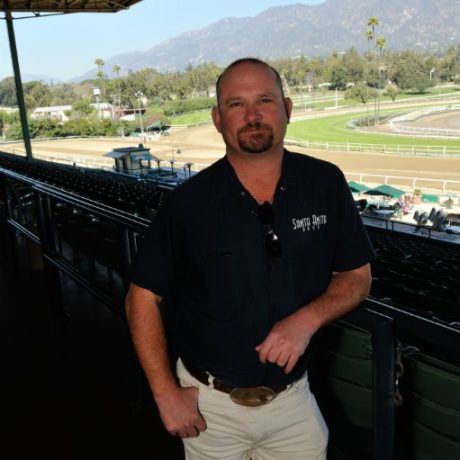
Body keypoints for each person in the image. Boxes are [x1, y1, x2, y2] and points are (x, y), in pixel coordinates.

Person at [125, 57, 374, 460]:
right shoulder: (186, 205)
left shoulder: (325, 183)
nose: (252, 115)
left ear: (288, 109)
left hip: (294, 401)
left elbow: (357, 275)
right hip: (209, 407)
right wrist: (165, 393)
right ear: (217, 119)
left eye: (264, 100)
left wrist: (306, 320)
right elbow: (142, 298)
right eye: (236, 104)